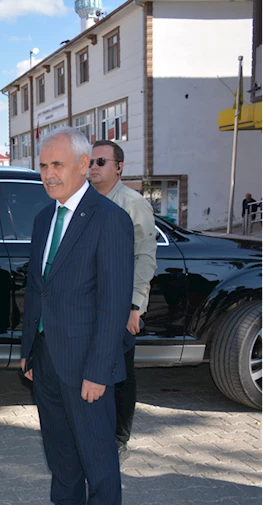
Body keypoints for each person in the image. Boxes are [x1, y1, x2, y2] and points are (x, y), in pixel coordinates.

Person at [18, 128, 133, 505]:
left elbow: (114, 303)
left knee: (97, 452)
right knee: (59, 444)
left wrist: (99, 369)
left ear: (84, 165)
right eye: (44, 166)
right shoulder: (43, 218)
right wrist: (29, 351)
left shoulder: (110, 220)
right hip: (46, 355)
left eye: (57, 165)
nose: (48, 174)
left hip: (87, 362)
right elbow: (37, 288)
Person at [88, 140, 156, 463]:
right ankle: (96, 433)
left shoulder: (133, 204)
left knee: (120, 373)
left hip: (120, 306)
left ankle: (119, 438)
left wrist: (134, 306)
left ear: (119, 167)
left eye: (101, 161)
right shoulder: (81, 202)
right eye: (90, 161)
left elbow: (145, 257)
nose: (94, 167)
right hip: (88, 305)